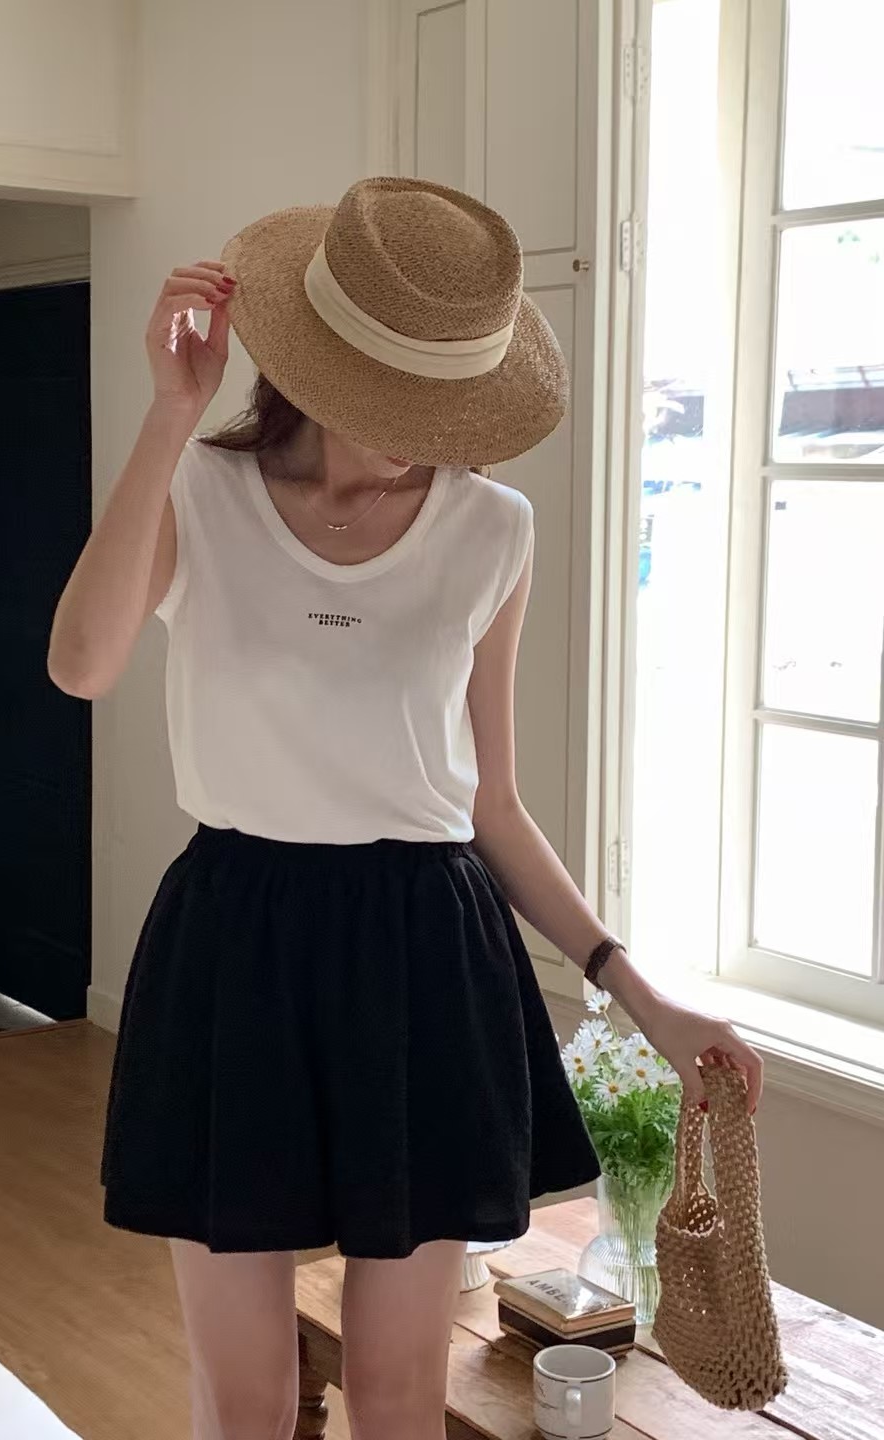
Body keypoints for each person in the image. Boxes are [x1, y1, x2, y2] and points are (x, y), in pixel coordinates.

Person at [49, 178, 763, 1440]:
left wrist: (641, 994)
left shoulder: (493, 529)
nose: (417, 434)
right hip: (237, 946)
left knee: (395, 1394)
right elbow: (82, 664)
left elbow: (492, 802)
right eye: (390, 395)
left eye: (442, 405)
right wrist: (168, 417)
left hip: (425, 957)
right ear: (314, 365)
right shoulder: (201, 491)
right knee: (246, 1399)